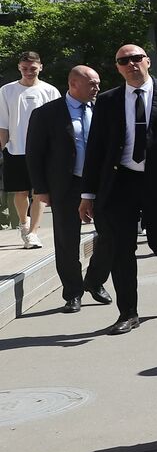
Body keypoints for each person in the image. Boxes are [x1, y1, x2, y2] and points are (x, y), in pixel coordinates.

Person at [78, 45, 157, 335]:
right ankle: (127, 313)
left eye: (136, 58)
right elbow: (95, 149)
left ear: (147, 61)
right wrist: (88, 194)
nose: (131, 64)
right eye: (124, 61)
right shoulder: (108, 101)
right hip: (121, 182)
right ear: (118, 67)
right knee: (121, 248)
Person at [27, 66, 109, 312]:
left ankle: (95, 280)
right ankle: (72, 292)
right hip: (66, 184)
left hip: (101, 183)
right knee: (66, 240)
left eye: (98, 83)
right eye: (92, 83)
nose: (97, 88)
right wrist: (41, 188)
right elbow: (34, 154)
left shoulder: (104, 109)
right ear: (73, 83)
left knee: (111, 234)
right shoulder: (47, 114)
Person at [0, 51, 61, 248]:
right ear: (19, 67)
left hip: (43, 150)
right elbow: (3, 124)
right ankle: (24, 224)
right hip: (16, 149)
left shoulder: (50, 91)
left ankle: (34, 232)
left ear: (40, 67)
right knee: (20, 192)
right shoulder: (6, 91)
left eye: (33, 68)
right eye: (25, 68)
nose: (29, 72)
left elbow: (57, 122)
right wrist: (4, 147)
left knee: (40, 191)